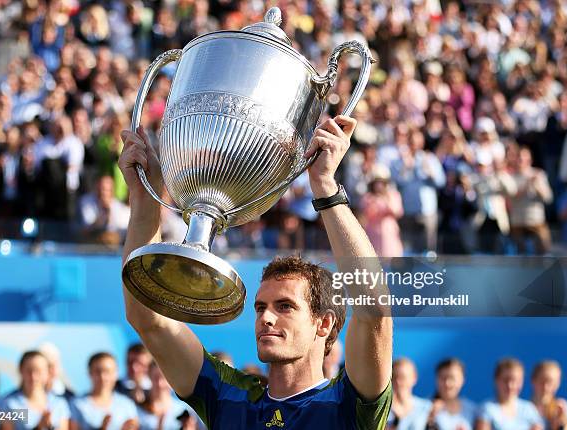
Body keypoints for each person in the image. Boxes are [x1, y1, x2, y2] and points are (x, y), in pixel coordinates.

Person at [119, 116, 393, 429]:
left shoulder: (348, 404)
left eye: (285, 306)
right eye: (261, 307)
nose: (266, 318)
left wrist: (325, 188)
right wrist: (144, 200)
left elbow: (374, 311)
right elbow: (147, 318)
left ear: (324, 323)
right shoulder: (227, 396)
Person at [1, 351, 70, 430]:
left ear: (47, 372)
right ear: (20, 370)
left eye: (38, 371)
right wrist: (38, 427)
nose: (33, 377)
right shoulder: (8, 403)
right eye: (29, 370)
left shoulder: (59, 403)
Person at [70, 352, 139, 430]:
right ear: (89, 373)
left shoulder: (127, 404)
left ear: (116, 373)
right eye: (97, 371)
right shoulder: (77, 404)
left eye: (107, 371)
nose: (102, 377)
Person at [476, 358, 544, 430]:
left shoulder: (529, 409)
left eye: (515, 380)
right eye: (505, 380)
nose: (510, 386)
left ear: (522, 381)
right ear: (496, 380)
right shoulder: (487, 408)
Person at [137, 361, 194, 430]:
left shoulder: (183, 410)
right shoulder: (137, 409)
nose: (159, 384)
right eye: (155, 377)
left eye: (163, 378)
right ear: (149, 376)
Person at [428, 358, 477, 430]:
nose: (447, 383)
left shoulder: (473, 410)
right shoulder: (424, 408)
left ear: (462, 380)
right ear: (436, 379)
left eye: (452, 378)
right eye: (443, 378)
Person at [387, 358, 431, 430]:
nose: (398, 382)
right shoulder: (382, 409)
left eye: (403, 377)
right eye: (394, 377)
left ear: (414, 378)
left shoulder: (427, 407)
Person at [531, 361, 567, 430]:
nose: (545, 386)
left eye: (550, 381)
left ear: (558, 383)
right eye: (542, 380)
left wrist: (562, 425)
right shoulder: (521, 410)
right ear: (533, 380)